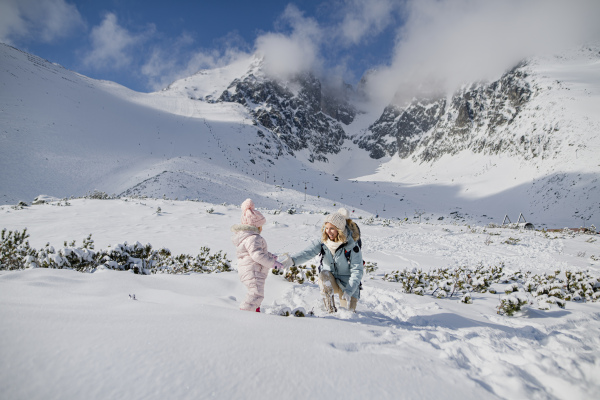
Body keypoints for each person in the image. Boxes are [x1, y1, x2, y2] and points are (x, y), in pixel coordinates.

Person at [282, 208, 363, 312]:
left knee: (349, 313)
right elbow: (308, 252)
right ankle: (330, 309)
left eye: (332, 228)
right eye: (326, 228)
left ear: (340, 229)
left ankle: (347, 303)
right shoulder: (323, 242)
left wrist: (349, 290)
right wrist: (293, 261)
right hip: (331, 280)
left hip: (348, 286)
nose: (328, 231)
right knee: (323, 274)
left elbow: (357, 271)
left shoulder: (352, 246)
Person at [231, 199, 283, 312]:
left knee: (256, 295)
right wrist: (272, 263)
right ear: (256, 226)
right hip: (253, 271)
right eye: (261, 225)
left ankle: (255, 313)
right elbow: (257, 255)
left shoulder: (247, 238)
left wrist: (269, 256)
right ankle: (245, 314)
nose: (262, 228)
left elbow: (256, 252)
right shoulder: (254, 238)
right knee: (256, 295)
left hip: (250, 270)